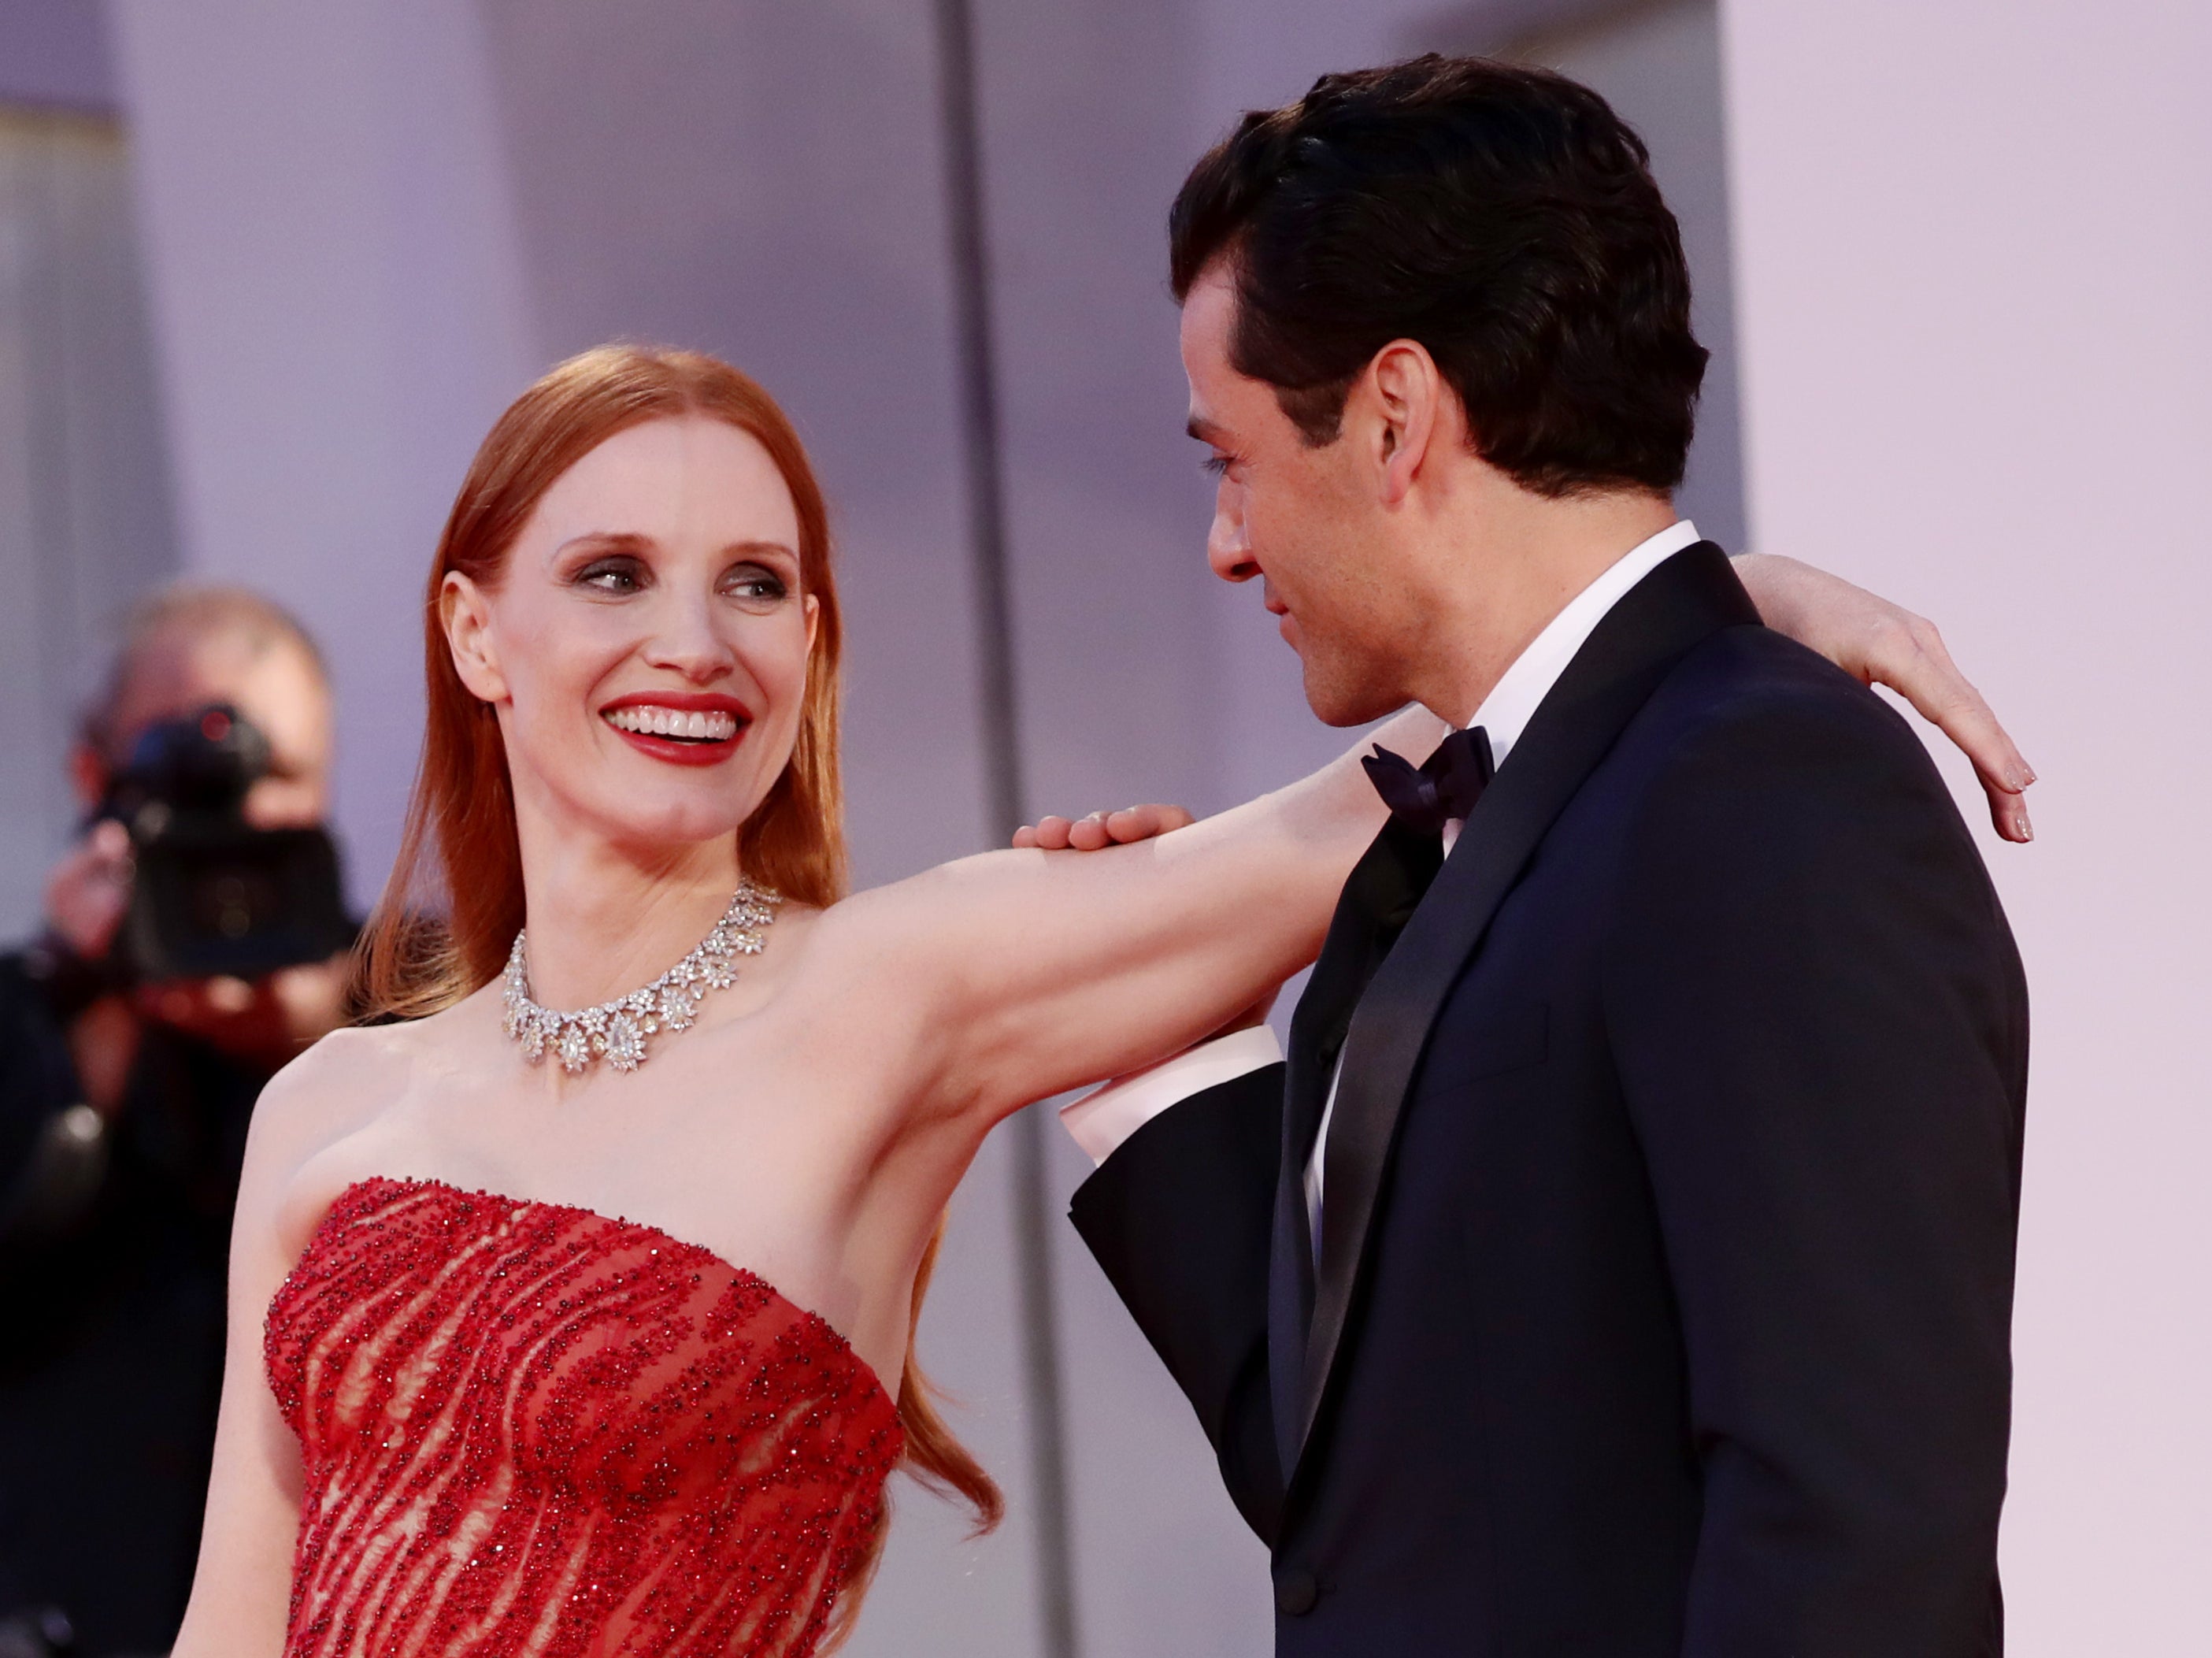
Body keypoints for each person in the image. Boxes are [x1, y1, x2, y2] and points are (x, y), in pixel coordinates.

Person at [170, 339, 2017, 1658]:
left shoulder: (901, 983)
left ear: (808, 642)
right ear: (476, 630)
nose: (692, 642)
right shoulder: (326, 1109)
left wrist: (1724, 603)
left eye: (756, 583)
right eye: (610, 575)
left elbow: (1408, 785)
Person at [1057, 55, 2029, 1656]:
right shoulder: (1498, 815)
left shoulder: (1763, 790)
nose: (1226, 542)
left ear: (1391, 417)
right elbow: (1388, 1514)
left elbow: (1857, 1541)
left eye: (1227, 459)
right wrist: (1157, 1059)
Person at [0, 587, 351, 1656]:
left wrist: (326, 1045)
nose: (231, 808)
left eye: (269, 773)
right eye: (182, 767)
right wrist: (92, 1010)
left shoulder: (416, 1013)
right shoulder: (25, 1014)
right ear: (90, 775)